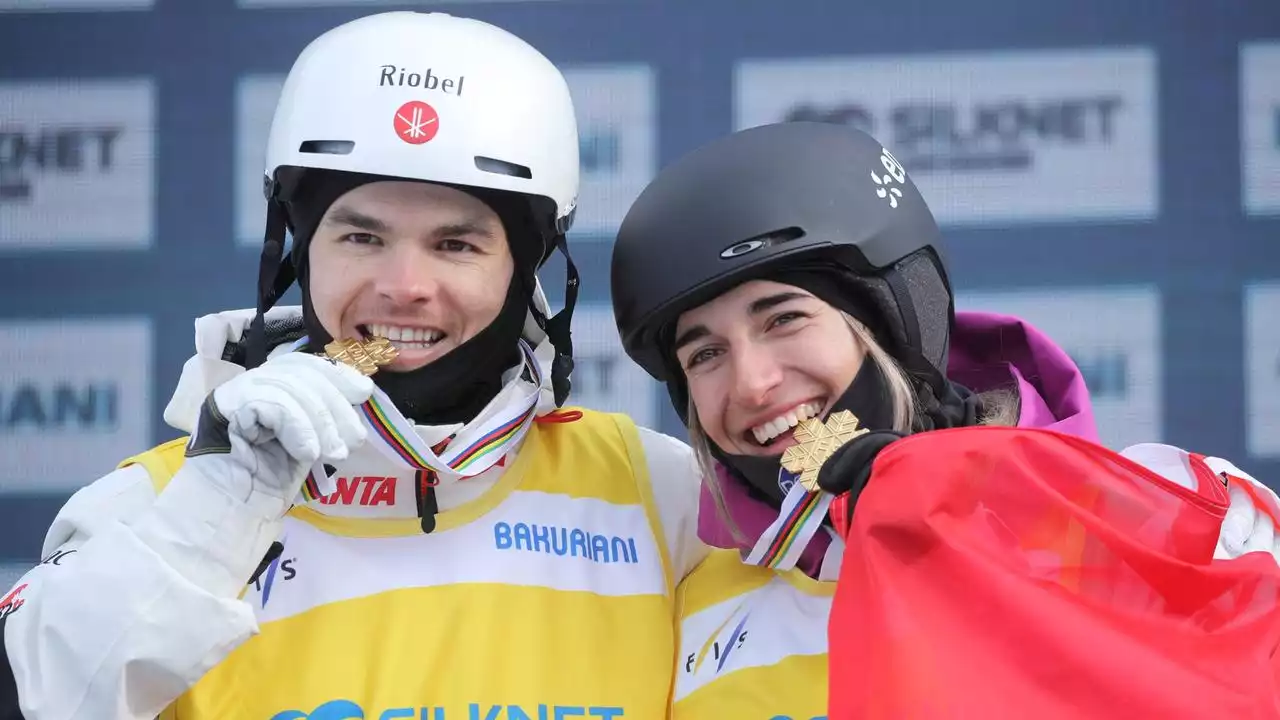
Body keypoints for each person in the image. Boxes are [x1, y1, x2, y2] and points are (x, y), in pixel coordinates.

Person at [1, 12, 706, 720]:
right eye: (362, 236)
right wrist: (210, 524)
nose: (405, 285)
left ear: (526, 269)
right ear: (299, 252)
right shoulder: (155, 504)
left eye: (456, 245)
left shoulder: (659, 493)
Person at [609, 121, 1280, 718]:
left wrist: (955, 501)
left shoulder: (1164, 513)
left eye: (785, 318)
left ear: (893, 319)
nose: (753, 383)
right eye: (706, 354)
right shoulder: (694, 602)